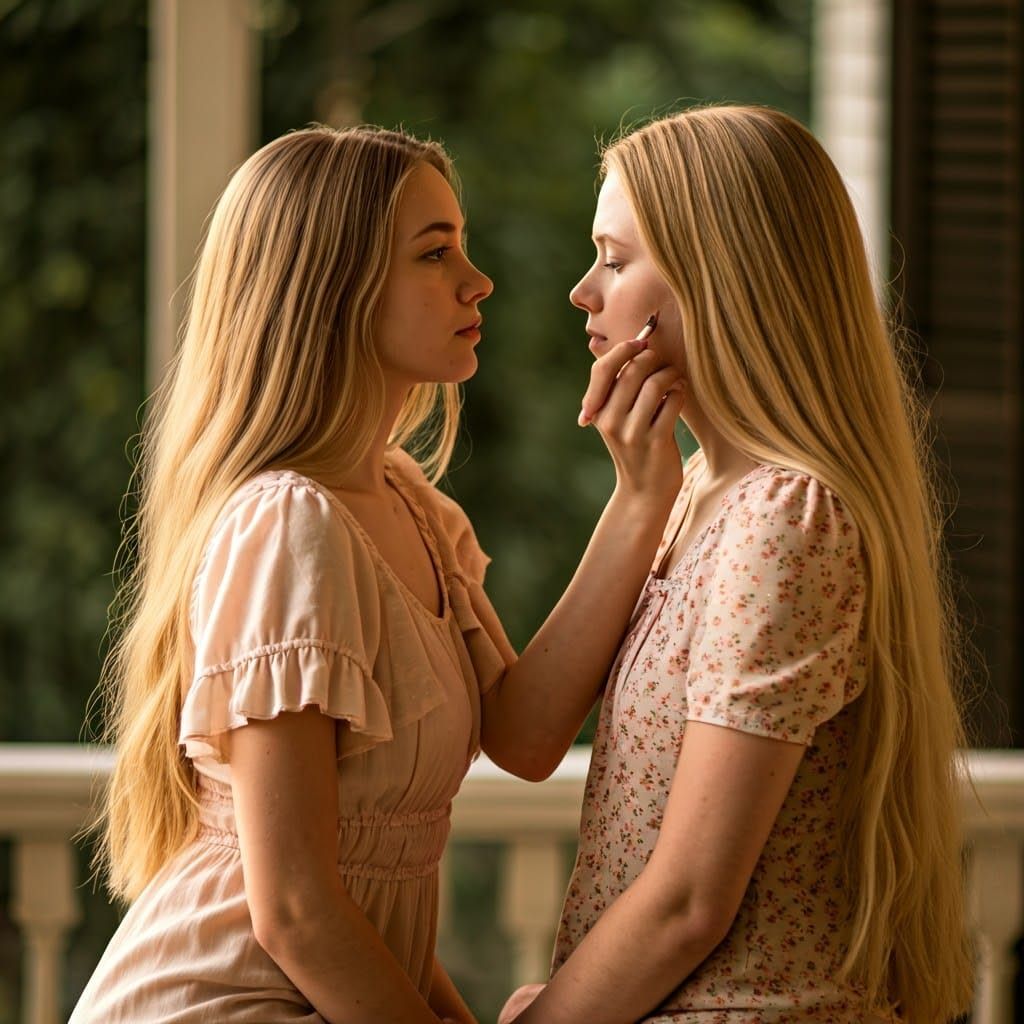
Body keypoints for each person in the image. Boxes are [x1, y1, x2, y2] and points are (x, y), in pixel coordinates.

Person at [71, 125, 686, 1023]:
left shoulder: (410, 504)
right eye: (435, 254)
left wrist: (641, 499)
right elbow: (297, 914)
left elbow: (522, 736)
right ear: (334, 290)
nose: (478, 282)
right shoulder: (289, 526)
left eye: (463, 248)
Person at [498, 105, 974, 1024]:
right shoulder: (689, 494)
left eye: (615, 257)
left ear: (716, 279)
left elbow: (687, 905)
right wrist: (638, 500)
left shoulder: (784, 519)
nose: (582, 293)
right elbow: (523, 738)